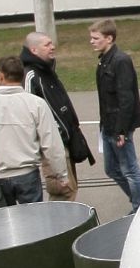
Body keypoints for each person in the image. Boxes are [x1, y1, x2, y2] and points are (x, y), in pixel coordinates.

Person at [0, 55, 69, 205]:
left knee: (1, 224)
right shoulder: (36, 104)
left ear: (0, 75)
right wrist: (61, 174)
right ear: (22, 75)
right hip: (27, 174)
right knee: (32, 222)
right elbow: (52, 144)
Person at [21, 30, 95, 201]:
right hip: (52, 145)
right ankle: (60, 226)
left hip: (65, 141)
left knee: (70, 189)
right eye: (47, 44)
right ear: (34, 50)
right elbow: (28, 112)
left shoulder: (47, 70)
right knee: (63, 192)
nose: (52, 47)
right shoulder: (31, 76)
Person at [89, 18, 140, 212]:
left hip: (118, 126)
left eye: (96, 38)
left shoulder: (120, 61)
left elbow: (126, 98)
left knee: (129, 169)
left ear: (109, 38)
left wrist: (121, 130)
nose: (92, 41)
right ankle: (138, 199)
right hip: (108, 124)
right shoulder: (104, 62)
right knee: (111, 168)